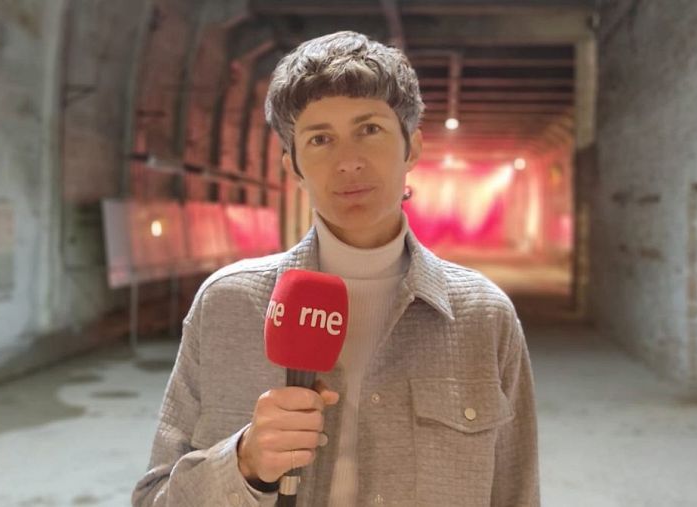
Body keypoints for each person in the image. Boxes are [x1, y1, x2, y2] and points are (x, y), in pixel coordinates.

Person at [132, 30, 539, 507]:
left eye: (369, 130)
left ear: (412, 148)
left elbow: (516, 494)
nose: (348, 162)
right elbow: (154, 499)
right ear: (293, 167)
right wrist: (243, 463)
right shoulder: (227, 305)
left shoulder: (482, 317)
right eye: (320, 139)